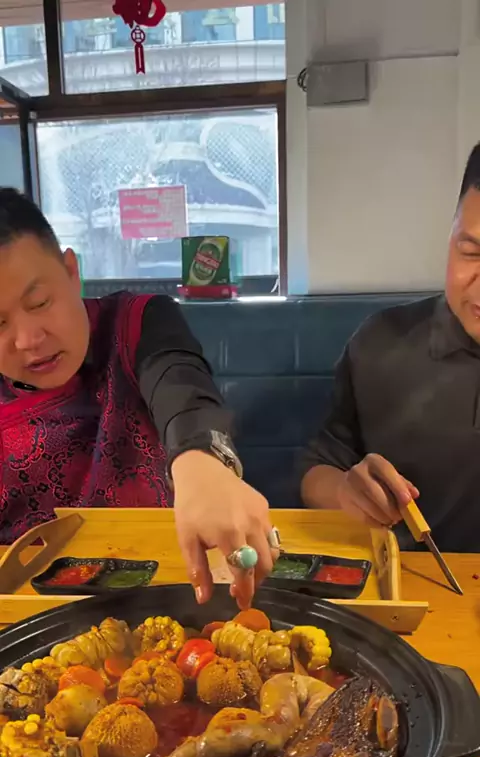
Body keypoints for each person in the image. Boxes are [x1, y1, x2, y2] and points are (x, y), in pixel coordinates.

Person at [0, 188, 278, 606]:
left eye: (39, 302)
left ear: (72, 272)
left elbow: (182, 387)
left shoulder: (136, 322)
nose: (28, 339)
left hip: (162, 596)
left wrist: (201, 462)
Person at [301, 142, 480, 552]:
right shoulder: (381, 342)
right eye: (471, 252)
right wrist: (347, 491)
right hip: (407, 581)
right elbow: (316, 471)